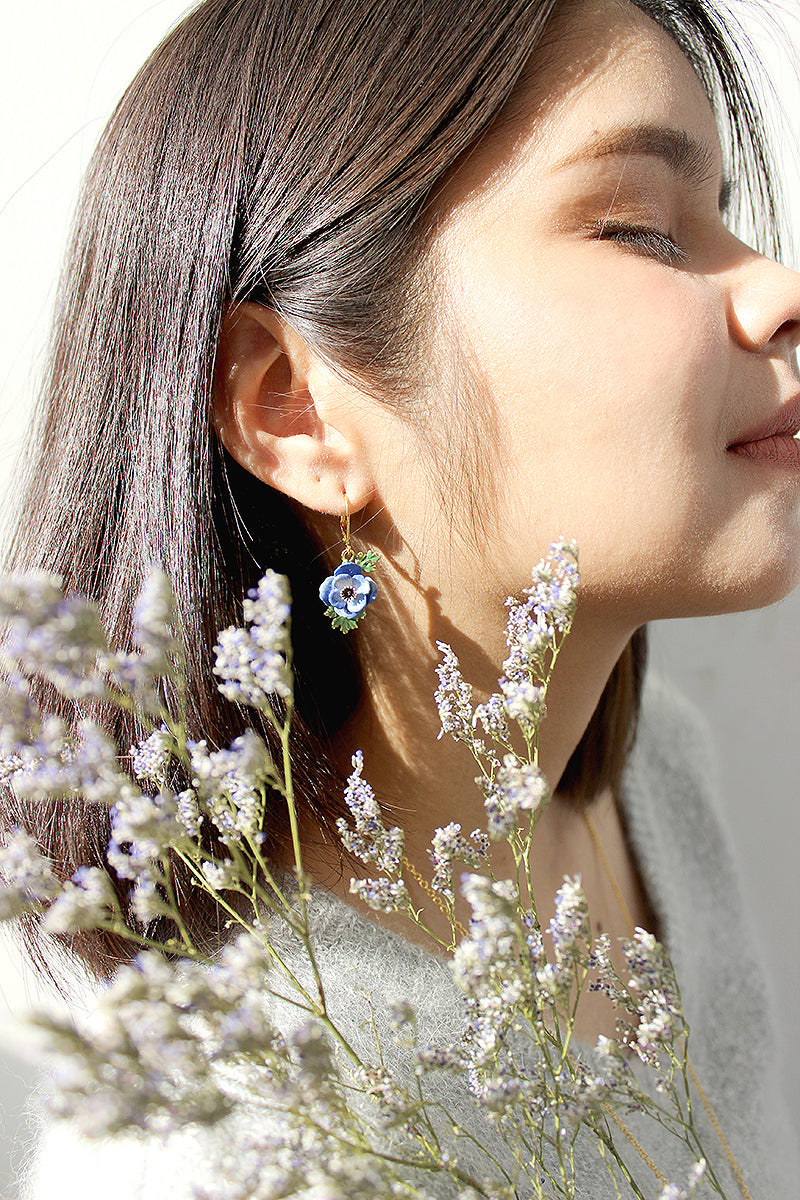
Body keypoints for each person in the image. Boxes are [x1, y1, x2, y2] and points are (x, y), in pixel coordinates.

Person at [3, 0, 799, 1195]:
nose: (776, 287)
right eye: (640, 228)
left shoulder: (649, 784)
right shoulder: (254, 1135)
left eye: (724, 214)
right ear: (292, 406)